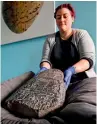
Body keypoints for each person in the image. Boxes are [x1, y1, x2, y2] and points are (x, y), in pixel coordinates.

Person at [36, 3, 96, 89]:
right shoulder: (50, 39)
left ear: (72, 18)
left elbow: (88, 60)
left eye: (65, 16)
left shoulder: (82, 34)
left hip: (83, 82)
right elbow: (46, 60)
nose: (61, 20)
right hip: (58, 84)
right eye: (58, 17)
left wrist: (71, 70)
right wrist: (44, 69)